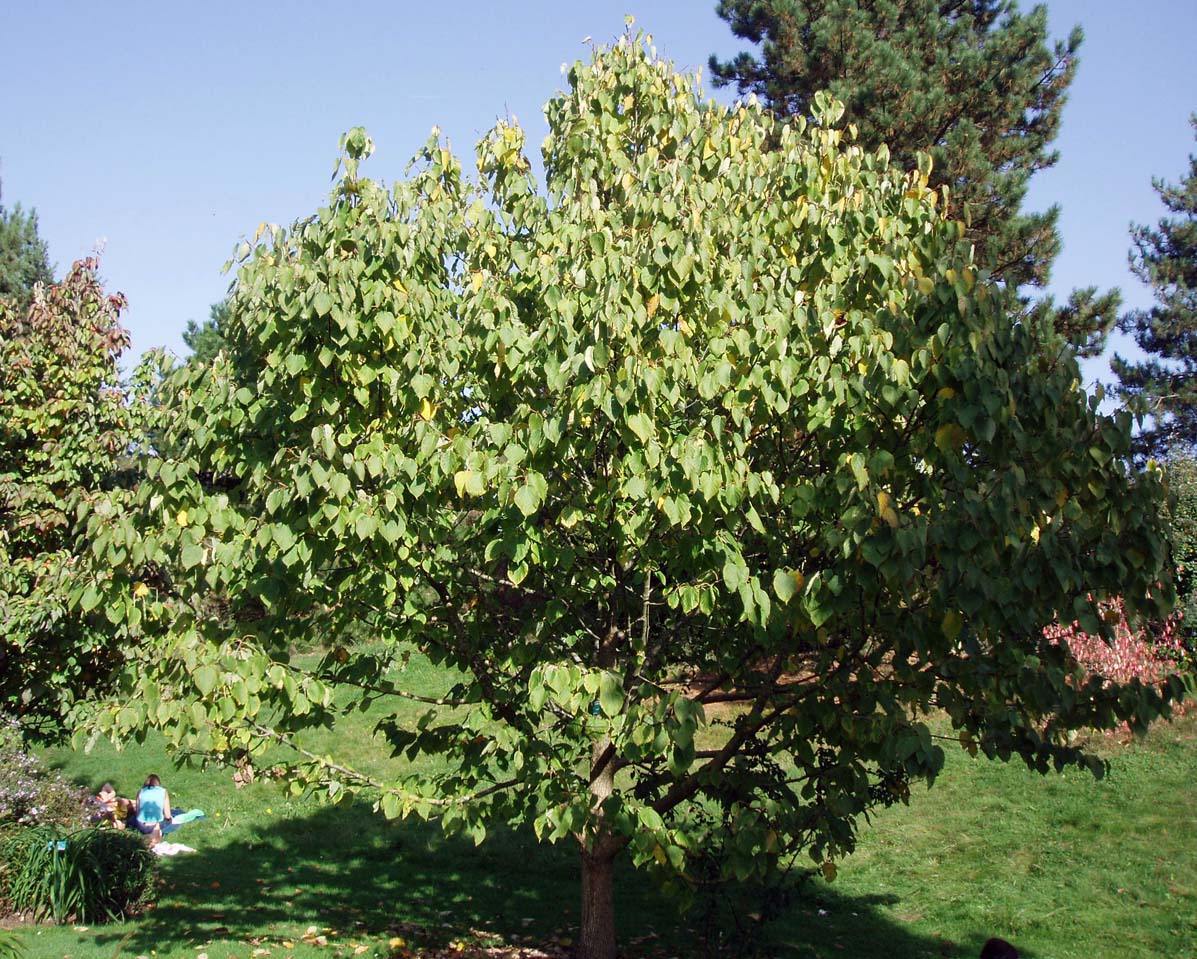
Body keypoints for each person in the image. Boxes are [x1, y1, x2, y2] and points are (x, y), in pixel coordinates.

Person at [135, 774, 174, 843]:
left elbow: (137, 813)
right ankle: (157, 832)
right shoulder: (163, 791)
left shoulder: (140, 791)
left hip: (141, 825)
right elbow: (167, 815)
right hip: (156, 824)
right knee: (170, 820)